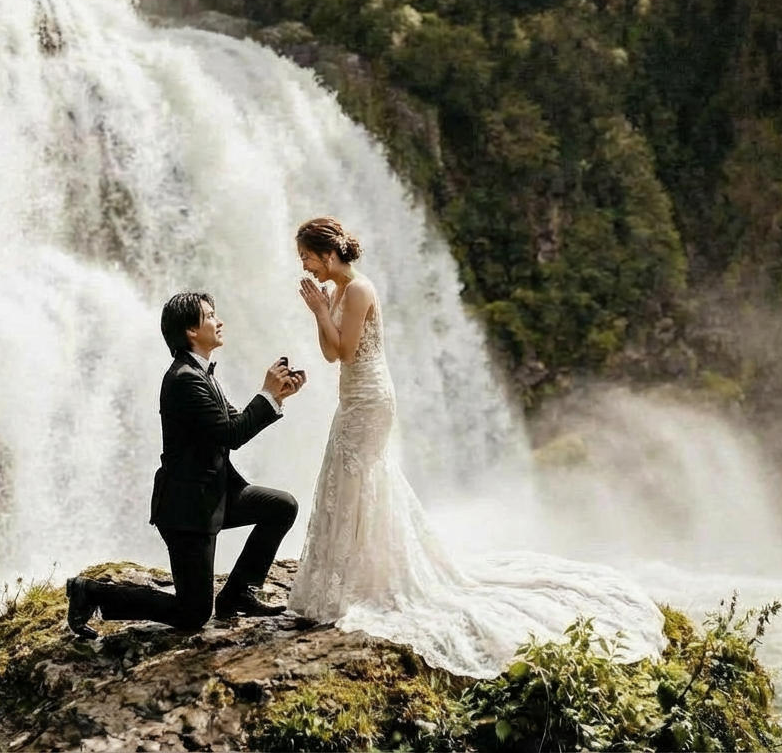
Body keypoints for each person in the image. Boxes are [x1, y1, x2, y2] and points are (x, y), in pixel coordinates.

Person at [286, 216, 666, 678]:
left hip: (370, 397)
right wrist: (321, 313)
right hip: (355, 394)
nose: (303, 265)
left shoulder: (359, 289)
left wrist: (321, 313)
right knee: (348, 477)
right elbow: (331, 354)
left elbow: (345, 350)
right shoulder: (338, 291)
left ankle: (363, 581)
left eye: (306, 255)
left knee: (361, 476)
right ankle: (345, 579)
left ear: (327, 253)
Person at [66, 292, 307, 638]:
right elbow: (231, 434)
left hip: (214, 496)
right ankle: (90, 592)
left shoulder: (200, 372)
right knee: (192, 613)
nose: (218, 321)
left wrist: (276, 396)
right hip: (187, 511)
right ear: (192, 331)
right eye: (210, 316)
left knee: (281, 506)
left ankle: (239, 591)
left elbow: (233, 422)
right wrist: (266, 394)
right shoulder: (183, 379)